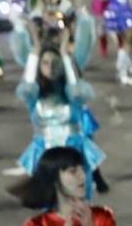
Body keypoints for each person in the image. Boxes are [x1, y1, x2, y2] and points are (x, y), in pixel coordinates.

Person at [17, 48, 107, 197]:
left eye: (56, 63)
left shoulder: (73, 95)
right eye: (45, 63)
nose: (51, 67)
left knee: (79, 203)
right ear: (38, 66)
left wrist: (65, 56)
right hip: (45, 154)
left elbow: (77, 90)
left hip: (74, 151)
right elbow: (26, 88)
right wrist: (34, 52)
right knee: (50, 204)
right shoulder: (34, 96)